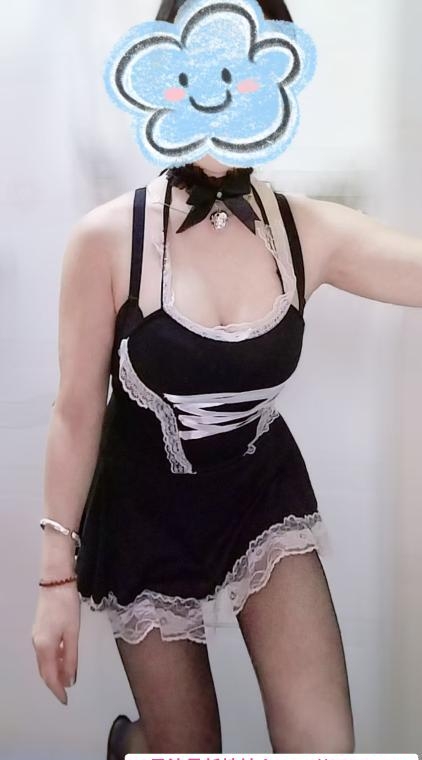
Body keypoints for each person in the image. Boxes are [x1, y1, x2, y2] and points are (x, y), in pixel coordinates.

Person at [31, 0, 422, 756]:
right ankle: (139, 745)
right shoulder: (107, 240)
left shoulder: (306, 230)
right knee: (189, 747)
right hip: (146, 512)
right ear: (160, 74)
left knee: (324, 745)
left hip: (257, 495)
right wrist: (55, 582)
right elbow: (76, 411)